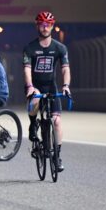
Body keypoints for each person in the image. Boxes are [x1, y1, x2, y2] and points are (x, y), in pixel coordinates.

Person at [23, 11, 71, 172]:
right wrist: (30, 86)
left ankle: (57, 156)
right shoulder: (30, 48)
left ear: (52, 26)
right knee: (35, 99)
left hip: (51, 86)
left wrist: (66, 86)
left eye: (48, 25)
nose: (45, 28)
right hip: (35, 86)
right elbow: (27, 70)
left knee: (56, 121)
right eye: (42, 25)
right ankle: (32, 124)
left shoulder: (60, 48)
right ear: (37, 26)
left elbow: (65, 69)